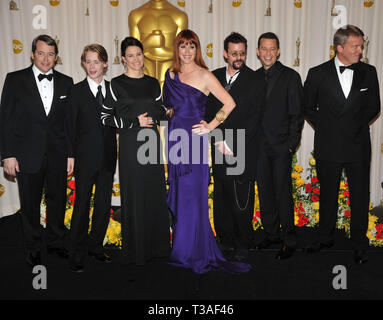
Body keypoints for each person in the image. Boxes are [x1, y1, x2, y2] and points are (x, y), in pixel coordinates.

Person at [163, 29, 251, 274]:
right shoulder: (170, 74)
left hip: (194, 141)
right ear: (177, 49)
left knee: (193, 197)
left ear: (197, 49)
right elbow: (169, 107)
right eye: (183, 46)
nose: (187, 51)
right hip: (174, 140)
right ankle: (181, 250)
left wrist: (211, 125)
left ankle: (194, 252)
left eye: (192, 46)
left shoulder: (205, 75)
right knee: (180, 196)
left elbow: (229, 103)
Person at [303, 25, 380, 264]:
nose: (360, 50)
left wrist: (353, 127)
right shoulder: (317, 73)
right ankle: (324, 237)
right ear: (340, 47)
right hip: (328, 144)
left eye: (361, 45)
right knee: (328, 194)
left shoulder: (369, 71)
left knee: (359, 195)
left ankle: (359, 242)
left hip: (358, 144)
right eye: (355, 46)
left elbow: (374, 107)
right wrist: (326, 127)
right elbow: (307, 107)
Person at [0, 34, 74, 267]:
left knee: (57, 200)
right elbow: (6, 120)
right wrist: (8, 155)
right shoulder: (14, 79)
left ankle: (55, 242)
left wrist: (71, 154)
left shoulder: (66, 81)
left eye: (50, 54)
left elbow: (69, 124)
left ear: (56, 57)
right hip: (26, 154)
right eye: (41, 53)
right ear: (32, 54)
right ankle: (33, 246)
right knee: (30, 204)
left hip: (57, 154)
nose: (45, 58)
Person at [101, 36, 171, 265]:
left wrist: (168, 112)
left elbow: (161, 112)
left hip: (152, 143)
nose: (135, 59)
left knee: (154, 193)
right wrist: (133, 123)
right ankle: (137, 251)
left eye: (138, 54)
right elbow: (105, 117)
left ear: (144, 56)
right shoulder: (115, 84)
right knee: (135, 195)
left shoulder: (153, 83)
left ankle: (158, 248)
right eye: (130, 55)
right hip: (131, 145)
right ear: (123, 58)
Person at [205, 32, 266, 262]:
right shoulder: (215, 76)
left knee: (242, 199)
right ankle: (225, 239)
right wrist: (218, 139)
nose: (238, 57)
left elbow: (255, 118)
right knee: (222, 195)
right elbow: (209, 111)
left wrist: (232, 144)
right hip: (219, 144)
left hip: (243, 147)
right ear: (224, 54)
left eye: (242, 53)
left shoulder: (256, 80)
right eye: (234, 53)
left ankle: (243, 242)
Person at [254, 32, 304, 260]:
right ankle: (271, 233)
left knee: (282, 194)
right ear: (257, 52)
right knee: (265, 193)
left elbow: (297, 114)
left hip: (281, 147)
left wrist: (291, 145)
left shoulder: (290, 77)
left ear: (279, 51)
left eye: (272, 49)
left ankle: (289, 239)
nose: (268, 53)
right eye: (264, 48)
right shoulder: (252, 78)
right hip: (259, 148)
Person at [67, 44, 117, 272]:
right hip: (84, 159)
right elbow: (69, 128)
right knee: (81, 205)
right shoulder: (75, 92)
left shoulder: (113, 89)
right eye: (88, 61)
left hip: (108, 158)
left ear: (105, 64)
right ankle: (76, 252)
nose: (92, 66)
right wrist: (70, 156)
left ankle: (95, 246)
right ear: (83, 64)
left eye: (96, 61)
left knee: (103, 204)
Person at [128, 0, 188, 86]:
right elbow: (131, 51)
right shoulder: (136, 15)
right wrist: (149, 42)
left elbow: (182, 52)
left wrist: (160, 50)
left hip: (170, 75)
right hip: (143, 73)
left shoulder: (179, 16)